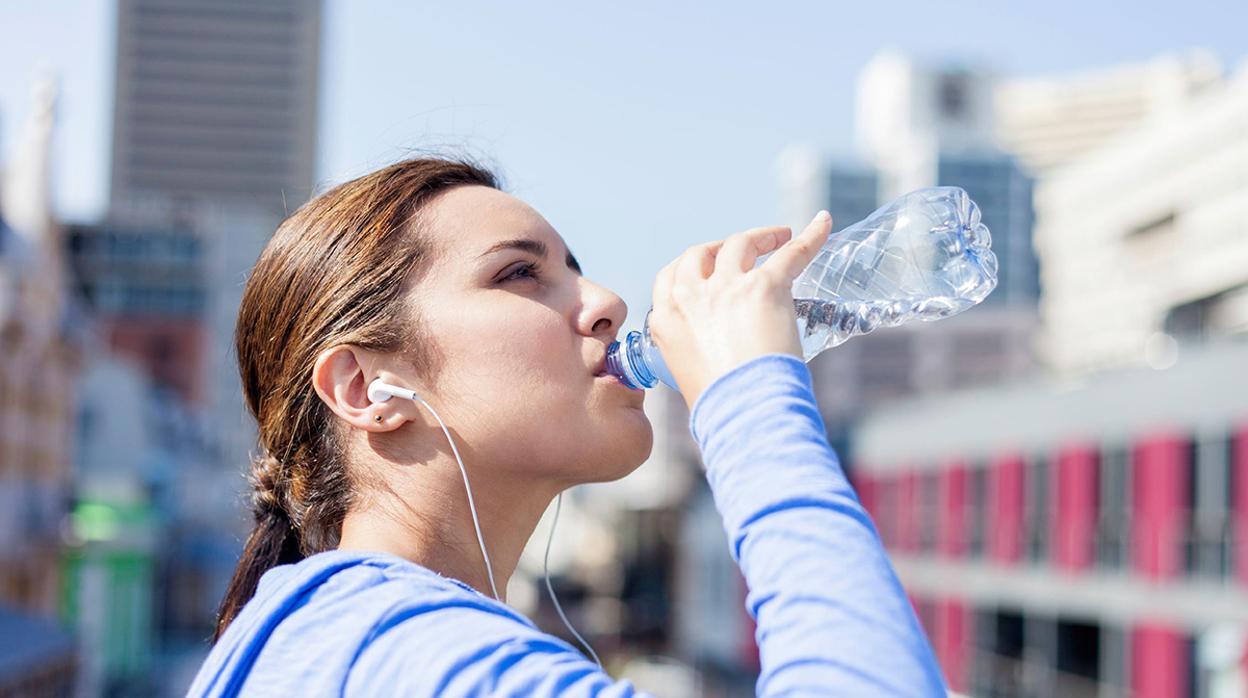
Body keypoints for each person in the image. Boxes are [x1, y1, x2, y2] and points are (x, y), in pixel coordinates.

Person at [188, 157, 948, 696]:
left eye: (575, 267)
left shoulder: (333, 641)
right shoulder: (402, 652)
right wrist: (752, 400)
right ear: (366, 389)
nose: (607, 300)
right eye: (520, 273)